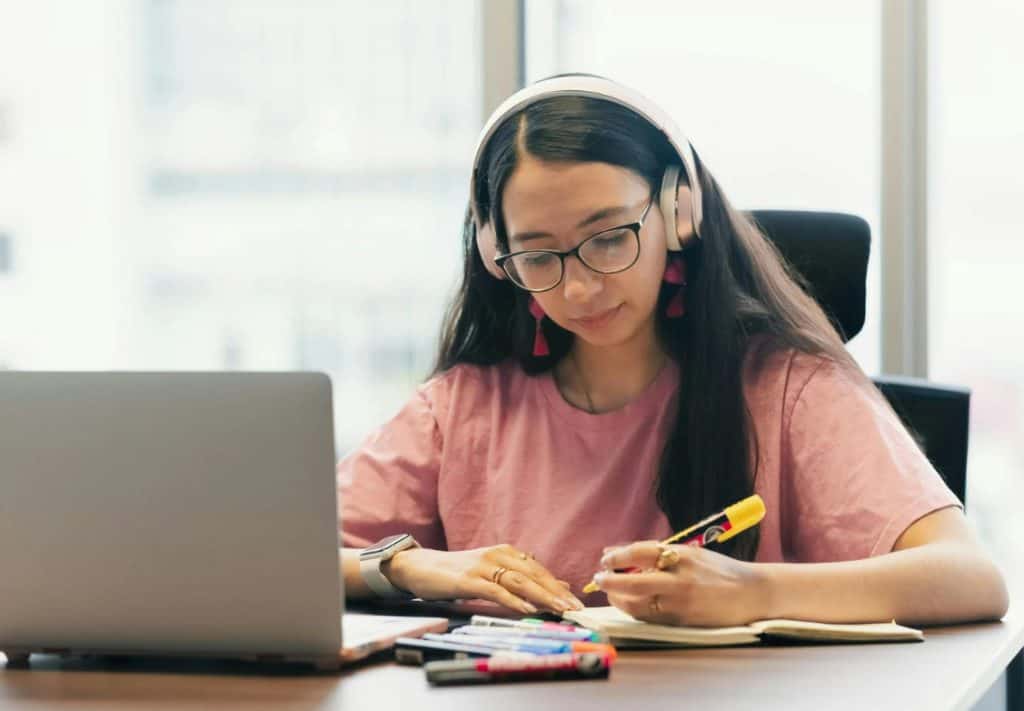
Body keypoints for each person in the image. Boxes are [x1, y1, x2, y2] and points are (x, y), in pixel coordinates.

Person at [336, 75, 1007, 627]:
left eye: (607, 237)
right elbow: (259, 557)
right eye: (538, 255)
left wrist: (755, 590)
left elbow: (969, 577)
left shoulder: (783, 388)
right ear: (496, 256)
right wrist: (404, 565)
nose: (578, 285)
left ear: (678, 212)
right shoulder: (464, 408)